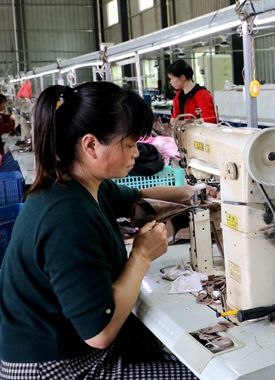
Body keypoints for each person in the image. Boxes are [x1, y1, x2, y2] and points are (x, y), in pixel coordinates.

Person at [0, 82, 199, 379]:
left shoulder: (83, 186)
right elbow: (100, 332)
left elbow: (138, 198)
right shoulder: (66, 216)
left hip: (73, 346)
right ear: (91, 145)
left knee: (178, 350)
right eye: (129, 145)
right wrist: (141, 256)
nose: (136, 153)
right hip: (56, 367)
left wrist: (193, 194)